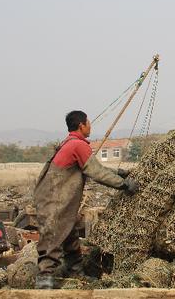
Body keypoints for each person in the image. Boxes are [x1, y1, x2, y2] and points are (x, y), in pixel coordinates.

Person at [34, 110, 138, 289]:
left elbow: (93, 167)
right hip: (54, 200)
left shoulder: (69, 143)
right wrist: (124, 185)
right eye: (88, 123)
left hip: (55, 199)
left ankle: (76, 272)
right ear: (81, 125)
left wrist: (120, 173)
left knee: (70, 235)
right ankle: (44, 284)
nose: (90, 126)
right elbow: (96, 173)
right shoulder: (78, 145)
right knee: (52, 238)